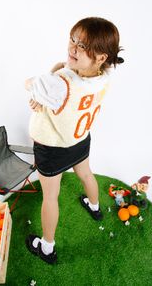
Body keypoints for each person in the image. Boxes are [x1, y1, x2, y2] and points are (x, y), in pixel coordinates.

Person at [24, 17, 124, 264]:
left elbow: (29, 83)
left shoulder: (59, 84)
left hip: (52, 147)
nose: (72, 48)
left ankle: (47, 248)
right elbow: (63, 78)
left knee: (50, 197)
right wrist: (45, 93)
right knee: (86, 175)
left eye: (82, 46)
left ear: (101, 57)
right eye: (73, 40)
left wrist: (41, 91)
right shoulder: (104, 76)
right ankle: (94, 206)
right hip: (80, 139)